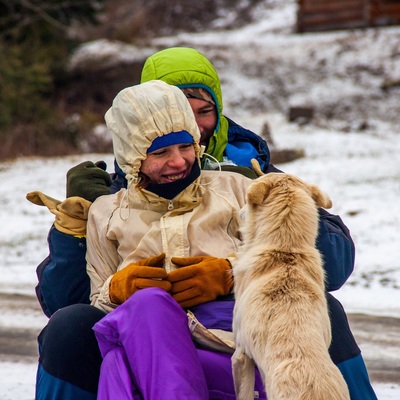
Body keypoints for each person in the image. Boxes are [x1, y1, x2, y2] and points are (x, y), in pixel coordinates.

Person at [29, 51, 377, 399]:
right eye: (174, 108)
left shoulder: (244, 182)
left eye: (202, 112)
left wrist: (236, 265)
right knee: (70, 327)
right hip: (147, 329)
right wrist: (72, 234)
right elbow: (73, 298)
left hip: (236, 320)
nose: (179, 155)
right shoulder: (107, 204)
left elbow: (326, 261)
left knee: (320, 309)